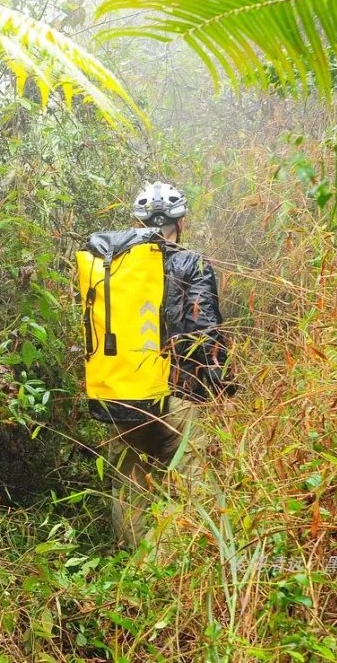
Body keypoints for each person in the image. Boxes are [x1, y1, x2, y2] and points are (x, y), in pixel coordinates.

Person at [97, 181, 234, 550]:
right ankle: (169, 571)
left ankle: (134, 575)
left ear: (135, 221)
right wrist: (220, 386)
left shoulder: (112, 268)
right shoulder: (192, 263)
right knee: (191, 486)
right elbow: (205, 331)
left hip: (125, 394)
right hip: (181, 395)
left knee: (130, 487)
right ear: (182, 220)